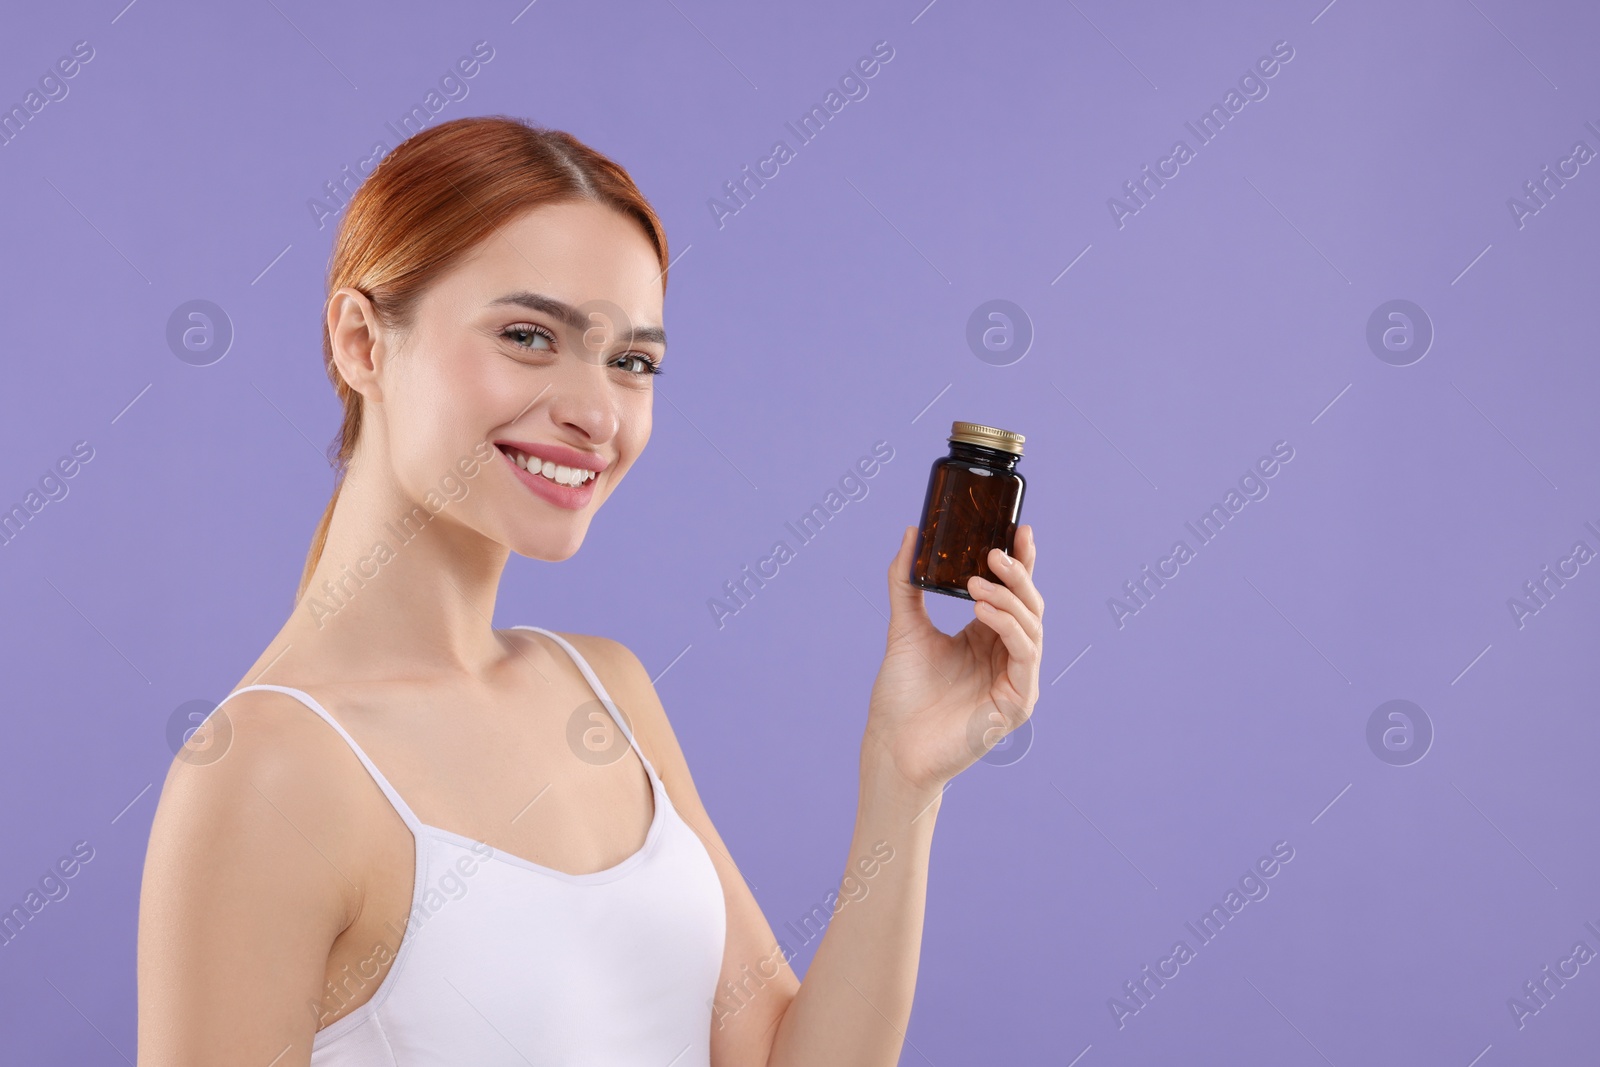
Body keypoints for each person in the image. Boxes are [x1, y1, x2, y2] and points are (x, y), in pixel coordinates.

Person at [136, 114, 1044, 1066]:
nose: (596, 412)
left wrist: (905, 780)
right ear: (363, 341)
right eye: (528, 335)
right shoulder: (265, 771)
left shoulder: (604, 689)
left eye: (632, 361)